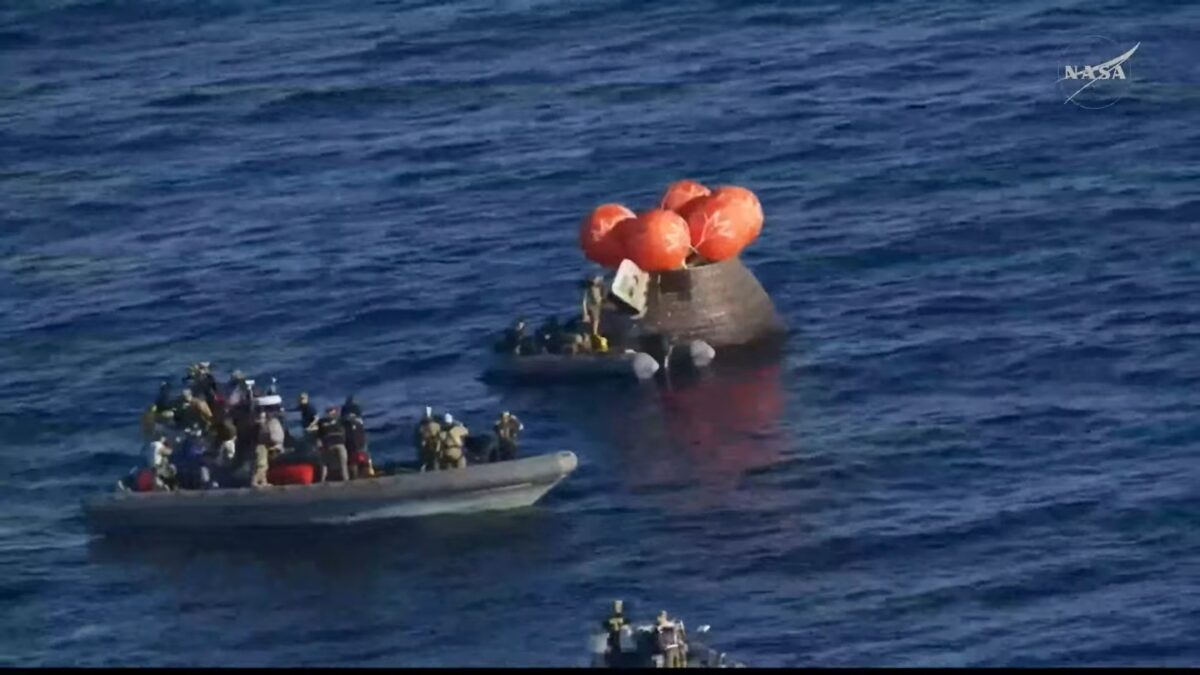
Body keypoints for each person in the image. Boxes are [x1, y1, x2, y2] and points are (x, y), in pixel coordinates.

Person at [317, 406, 350, 482]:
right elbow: (345, 433)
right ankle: (346, 480)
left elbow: (319, 436)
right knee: (343, 464)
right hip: (339, 444)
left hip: (328, 444)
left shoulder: (321, 422)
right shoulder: (340, 420)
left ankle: (322, 480)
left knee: (324, 463)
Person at [342, 412, 371, 478]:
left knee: (353, 466)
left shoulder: (344, 425)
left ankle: (355, 478)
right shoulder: (359, 423)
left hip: (352, 449)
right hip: (361, 448)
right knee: (364, 464)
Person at [414, 407, 442, 471]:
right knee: (435, 460)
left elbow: (418, 437)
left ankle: (423, 471)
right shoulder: (437, 425)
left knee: (425, 461)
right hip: (434, 446)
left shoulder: (420, 427)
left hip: (425, 446)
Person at [582, 275, 606, 339]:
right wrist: (585, 312)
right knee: (596, 320)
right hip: (594, 305)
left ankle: (595, 334)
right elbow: (584, 301)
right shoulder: (590, 288)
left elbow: (602, 294)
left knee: (597, 320)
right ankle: (594, 334)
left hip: (598, 304)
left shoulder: (597, 287)